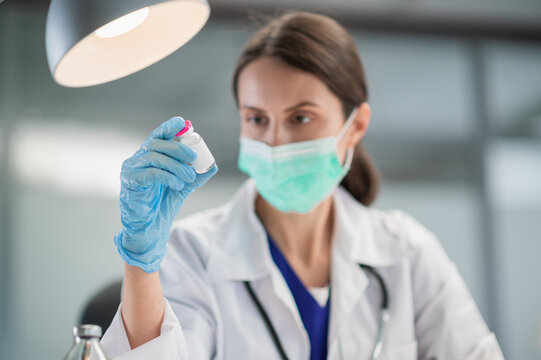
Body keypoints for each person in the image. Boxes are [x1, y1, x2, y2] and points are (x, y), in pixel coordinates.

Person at [100, 11, 504, 360]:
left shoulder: (407, 253)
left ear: (355, 126)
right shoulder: (192, 254)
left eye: (301, 118)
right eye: (257, 119)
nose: (275, 142)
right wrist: (140, 266)